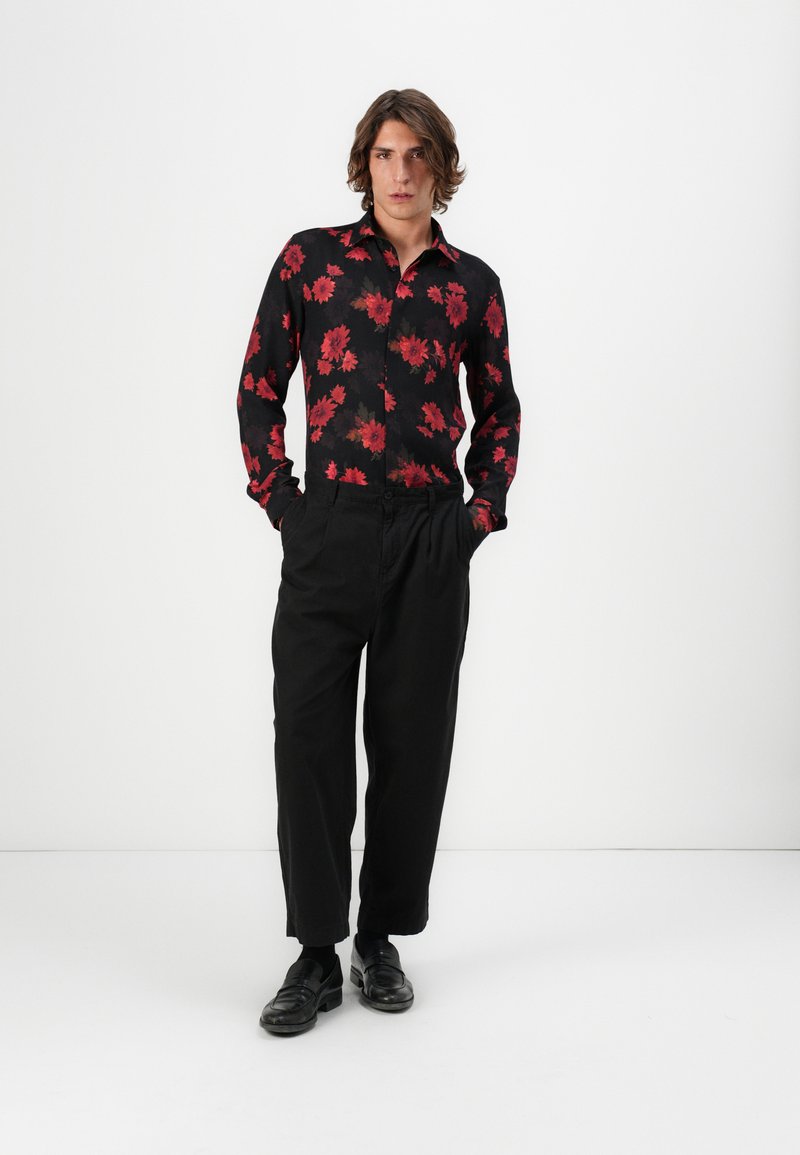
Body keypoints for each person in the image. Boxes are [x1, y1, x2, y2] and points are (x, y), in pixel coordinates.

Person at [236, 88, 522, 1036]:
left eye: (418, 155)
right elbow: (258, 385)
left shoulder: (472, 284)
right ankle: (316, 952)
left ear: (442, 166)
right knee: (307, 736)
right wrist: (284, 502)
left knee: (412, 744)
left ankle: (380, 938)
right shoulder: (310, 260)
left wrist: (477, 515)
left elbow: (500, 409)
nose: (402, 173)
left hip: (430, 536)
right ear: (366, 164)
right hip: (330, 529)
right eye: (387, 154)